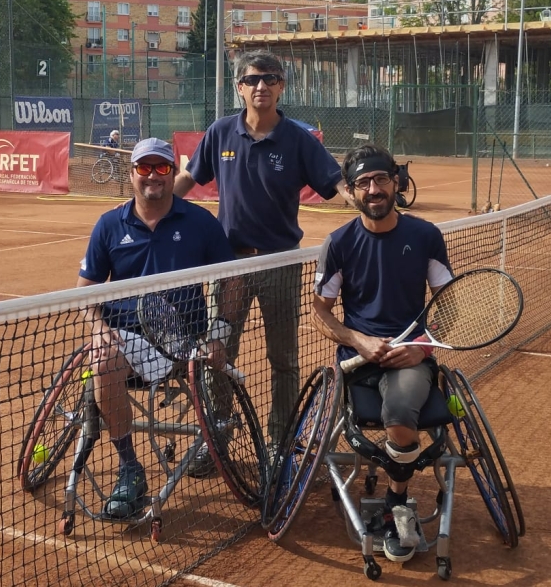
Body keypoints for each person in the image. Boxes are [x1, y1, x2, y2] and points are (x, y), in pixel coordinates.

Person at [173, 49, 352, 456]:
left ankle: (281, 440)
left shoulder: (298, 140)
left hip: (280, 262)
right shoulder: (219, 133)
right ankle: (217, 433)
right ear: (239, 87)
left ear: (281, 86)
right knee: (217, 352)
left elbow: (335, 183)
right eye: (252, 80)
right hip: (229, 264)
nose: (261, 86)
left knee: (284, 357)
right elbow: (188, 176)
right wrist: (157, 207)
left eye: (270, 78)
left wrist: (361, 200)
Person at [77, 137, 238, 519]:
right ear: (132, 174)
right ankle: (130, 467)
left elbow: (233, 279)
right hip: (125, 337)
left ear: (172, 172)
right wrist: (99, 328)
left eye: (162, 168)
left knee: (104, 364)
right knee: (102, 361)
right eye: (144, 168)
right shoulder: (110, 224)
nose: (153, 176)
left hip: (184, 342)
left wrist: (220, 333)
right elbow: (86, 292)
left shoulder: (199, 222)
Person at [311, 144, 453, 564]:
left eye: (380, 179)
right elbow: (320, 310)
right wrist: (358, 341)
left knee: (400, 411)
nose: (373, 189)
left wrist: (421, 346)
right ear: (352, 191)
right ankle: (398, 491)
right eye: (363, 183)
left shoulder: (425, 236)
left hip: (411, 358)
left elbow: (450, 302)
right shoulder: (338, 243)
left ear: (396, 182)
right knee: (387, 414)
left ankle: (397, 502)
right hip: (359, 361)